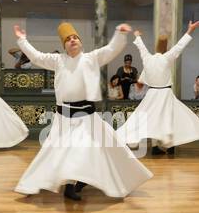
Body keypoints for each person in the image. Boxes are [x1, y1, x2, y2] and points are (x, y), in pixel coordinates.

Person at [12, 21, 152, 201]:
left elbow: (110, 50)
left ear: (80, 42)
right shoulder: (58, 60)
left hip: (87, 117)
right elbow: (37, 57)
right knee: (55, 152)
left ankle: (74, 184)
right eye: (68, 39)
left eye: (74, 38)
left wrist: (120, 33)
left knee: (95, 149)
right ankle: (36, 183)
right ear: (64, 45)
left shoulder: (91, 58)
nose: (72, 41)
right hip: (64, 118)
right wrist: (22, 40)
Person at [117, 21, 199, 156]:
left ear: (156, 47)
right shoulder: (167, 57)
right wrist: (190, 30)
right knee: (169, 118)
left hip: (152, 94)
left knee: (152, 119)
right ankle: (169, 145)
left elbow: (142, 48)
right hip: (165, 93)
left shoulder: (148, 58)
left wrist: (137, 36)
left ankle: (156, 146)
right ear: (166, 47)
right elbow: (180, 46)